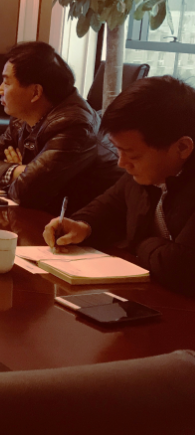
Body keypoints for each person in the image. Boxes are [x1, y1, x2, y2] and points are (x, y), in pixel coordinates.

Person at [44, 76, 195, 297]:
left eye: (133, 155)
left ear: (182, 148)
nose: (121, 163)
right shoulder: (147, 172)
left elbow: (180, 267)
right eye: (118, 150)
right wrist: (82, 226)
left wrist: (139, 242)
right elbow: (110, 205)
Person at [0, 42, 122, 214]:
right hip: (49, 215)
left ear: (35, 93)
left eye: (7, 83)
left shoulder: (75, 125)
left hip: (85, 223)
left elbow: (26, 194)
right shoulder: (23, 117)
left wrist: (22, 174)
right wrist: (21, 171)